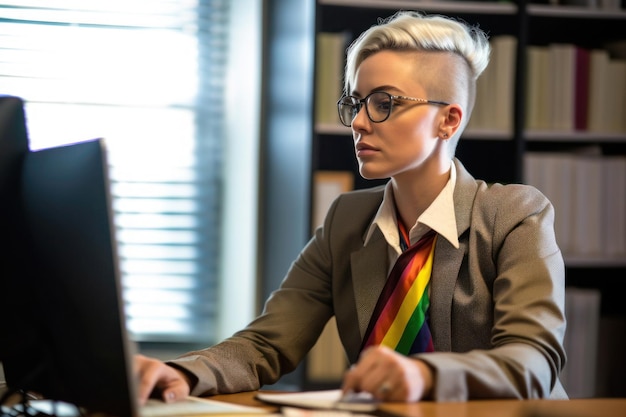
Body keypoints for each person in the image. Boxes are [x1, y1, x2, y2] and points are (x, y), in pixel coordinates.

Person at [136, 10, 568, 403]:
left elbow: (533, 360)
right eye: (356, 102)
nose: (360, 121)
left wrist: (425, 376)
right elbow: (267, 345)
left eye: (385, 103)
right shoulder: (347, 220)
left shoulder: (515, 214)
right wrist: (180, 373)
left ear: (448, 120)